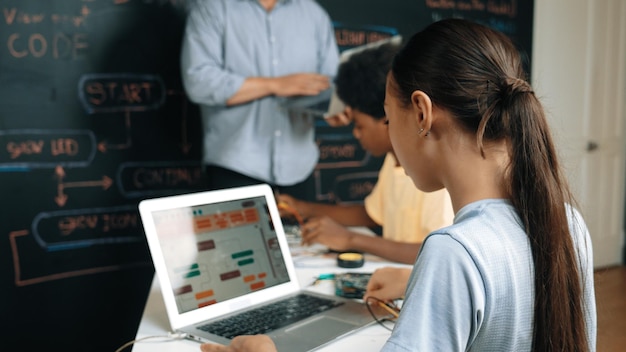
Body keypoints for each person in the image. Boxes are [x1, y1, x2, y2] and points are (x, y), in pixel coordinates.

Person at [199, 18, 597, 352]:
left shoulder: (453, 252)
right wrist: (416, 282)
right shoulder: (568, 223)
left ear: (422, 113)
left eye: (390, 117)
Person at [277, 42, 453, 264]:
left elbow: (439, 252)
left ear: (388, 119)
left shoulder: (431, 175)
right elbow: (373, 213)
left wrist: (351, 239)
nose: (356, 134)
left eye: (359, 126)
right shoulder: (394, 161)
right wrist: (304, 208)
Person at [180, 0, 339, 198]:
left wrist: (334, 108)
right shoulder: (212, 8)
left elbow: (331, 83)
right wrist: (274, 85)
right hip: (236, 166)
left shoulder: (314, 15)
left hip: (299, 167)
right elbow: (198, 82)